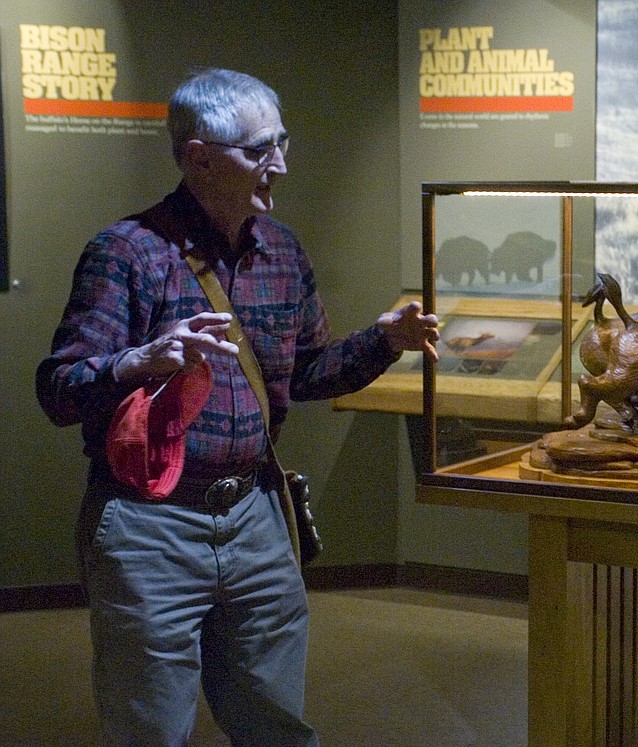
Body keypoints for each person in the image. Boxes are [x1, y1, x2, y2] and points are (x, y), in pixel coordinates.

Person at [36, 67, 439, 746]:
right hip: (148, 527)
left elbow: (309, 372)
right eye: (259, 150)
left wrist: (385, 341)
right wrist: (141, 359)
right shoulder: (128, 253)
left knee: (275, 722)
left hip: (253, 518)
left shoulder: (280, 252)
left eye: (281, 143)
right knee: (151, 729)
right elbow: (58, 388)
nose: (279, 164)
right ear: (198, 158)